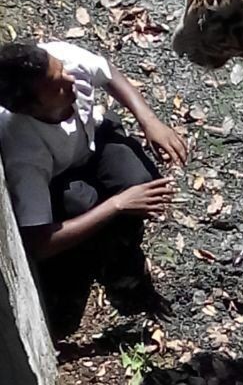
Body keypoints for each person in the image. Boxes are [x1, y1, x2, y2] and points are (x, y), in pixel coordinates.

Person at [0, 38, 187, 335]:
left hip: (93, 139)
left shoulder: (61, 59)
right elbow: (37, 243)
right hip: (59, 178)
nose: (70, 79)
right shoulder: (23, 150)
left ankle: (124, 254)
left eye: (61, 70)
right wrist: (117, 204)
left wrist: (149, 120)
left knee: (140, 180)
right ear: (30, 109)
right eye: (57, 85)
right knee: (85, 208)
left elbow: (107, 72)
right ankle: (105, 265)